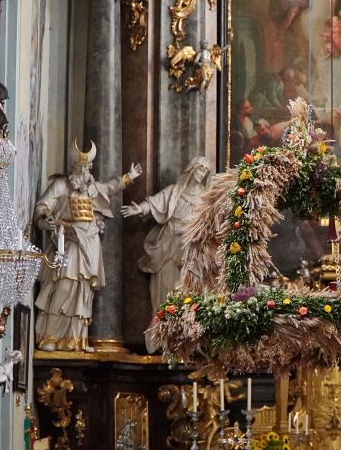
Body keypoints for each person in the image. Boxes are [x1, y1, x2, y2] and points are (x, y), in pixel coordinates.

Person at [33, 141, 142, 352]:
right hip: (69, 241)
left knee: (83, 290)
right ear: (72, 168)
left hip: (90, 243)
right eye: (80, 168)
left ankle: (76, 341)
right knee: (64, 285)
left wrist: (129, 177)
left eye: (86, 168)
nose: (83, 172)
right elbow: (43, 206)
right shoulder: (61, 185)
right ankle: (50, 337)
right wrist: (45, 219)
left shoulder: (92, 188)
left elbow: (110, 187)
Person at [122, 157, 212, 310]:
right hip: (168, 241)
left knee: (186, 284)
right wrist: (140, 208)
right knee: (165, 282)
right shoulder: (175, 191)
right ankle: (163, 318)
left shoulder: (205, 197)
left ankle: (184, 318)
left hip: (190, 245)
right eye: (200, 169)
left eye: (205, 171)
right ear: (192, 169)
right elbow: (154, 202)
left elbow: (209, 222)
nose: (202, 173)